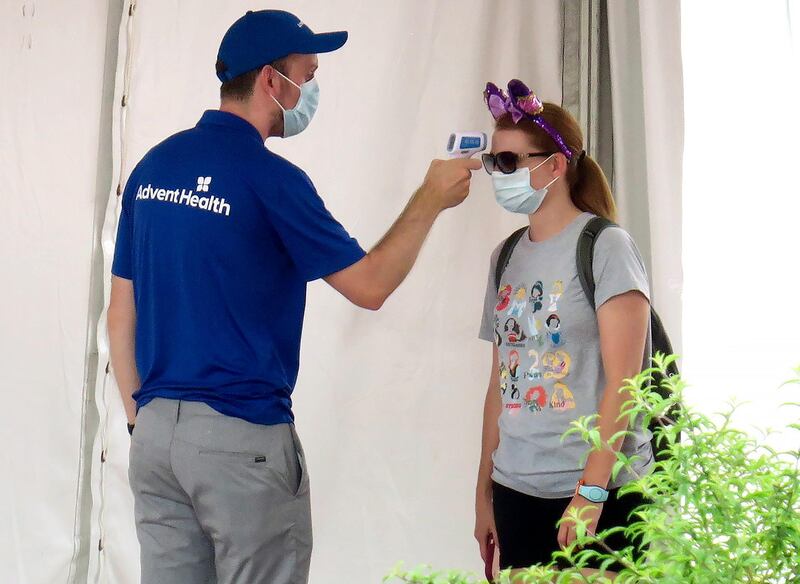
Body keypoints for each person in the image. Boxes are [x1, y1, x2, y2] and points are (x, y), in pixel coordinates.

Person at [106, 9, 480, 584]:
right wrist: (430, 197)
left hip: (156, 440)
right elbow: (371, 285)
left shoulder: (153, 169)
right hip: (241, 437)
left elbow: (120, 315)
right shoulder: (272, 180)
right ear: (270, 81)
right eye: (307, 75)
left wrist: (143, 424)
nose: (311, 90)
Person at [473, 79, 652, 578]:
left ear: (555, 164)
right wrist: (483, 493)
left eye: (509, 163)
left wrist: (591, 492)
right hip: (517, 489)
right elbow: (499, 386)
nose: (498, 175)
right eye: (494, 163)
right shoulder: (504, 257)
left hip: (599, 489)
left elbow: (627, 384)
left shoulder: (606, 246)